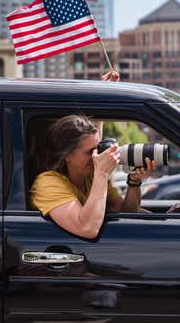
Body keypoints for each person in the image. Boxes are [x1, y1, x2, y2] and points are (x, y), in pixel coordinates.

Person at [29, 71, 157, 239]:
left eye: (98, 149)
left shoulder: (90, 176)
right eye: (90, 152)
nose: (97, 155)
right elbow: (87, 228)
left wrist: (134, 182)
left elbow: (125, 213)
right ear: (66, 154)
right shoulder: (48, 183)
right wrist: (102, 174)